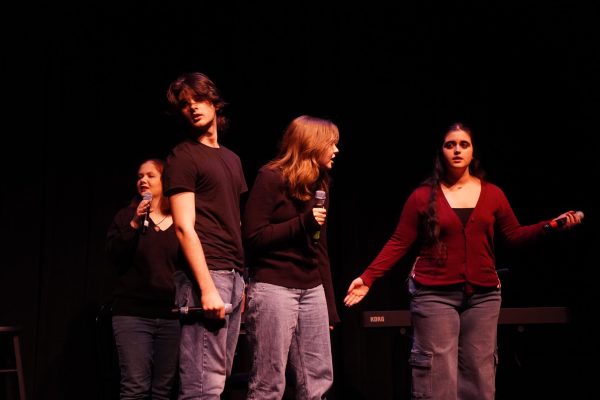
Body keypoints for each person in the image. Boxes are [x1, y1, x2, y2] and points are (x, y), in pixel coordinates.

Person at [343, 123, 582, 400]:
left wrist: (550, 226)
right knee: (436, 376)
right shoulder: (422, 196)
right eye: (450, 144)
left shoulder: (492, 194)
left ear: (472, 152)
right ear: (441, 151)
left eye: (463, 144)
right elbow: (399, 241)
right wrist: (368, 278)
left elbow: (514, 236)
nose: (457, 150)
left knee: (480, 376)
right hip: (434, 293)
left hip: (484, 296)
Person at [242, 115, 341, 400]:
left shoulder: (321, 184)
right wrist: (303, 223)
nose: (336, 151)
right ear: (312, 144)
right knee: (268, 384)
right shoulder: (271, 177)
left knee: (317, 381)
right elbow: (253, 236)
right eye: (331, 144)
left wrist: (330, 307)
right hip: (274, 287)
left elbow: (320, 246)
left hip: (312, 290)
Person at [162, 72, 247, 399]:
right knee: (202, 386)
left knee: (218, 380)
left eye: (198, 99)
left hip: (233, 274)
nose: (193, 108)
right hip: (206, 276)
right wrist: (206, 287)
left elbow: (234, 222)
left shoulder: (232, 159)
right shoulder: (183, 156)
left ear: (214, 101)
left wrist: (243, 279)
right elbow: (184, 227)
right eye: (185, 105)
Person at [106, 158, 181, 400]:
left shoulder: (182, 221)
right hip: (133, 314)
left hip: (172, 316)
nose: (143, 181)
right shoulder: (126, 216)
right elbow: (113, 256)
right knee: (135, 387)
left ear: (165, 180)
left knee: (163, 390)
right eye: (140, 176)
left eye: (150, 175)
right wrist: (135, 223)